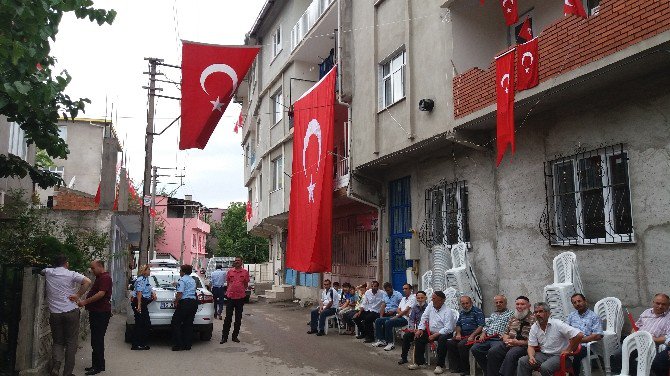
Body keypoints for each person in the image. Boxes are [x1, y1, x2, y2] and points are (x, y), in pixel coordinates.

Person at [42, 255, 92, 376]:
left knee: (58, 341)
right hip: (71, 312)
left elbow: (41, 271)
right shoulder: (71, 274)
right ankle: (67, 373)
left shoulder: (48, 272)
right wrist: (77, 295)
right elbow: (88, 281)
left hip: (55, 313)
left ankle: (56, 366)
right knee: (71, 342)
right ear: (66, 263)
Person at [517, 302, 584, 376]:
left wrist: (568, 350)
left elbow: (579, 335)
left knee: (545, 367)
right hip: (543, 355)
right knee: (522, 361)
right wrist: (531, 356)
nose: (538, 314)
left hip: (559, 356)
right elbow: (531, 346)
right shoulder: (534, 327)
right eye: (536, 312)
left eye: (541, 311)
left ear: (548, 313)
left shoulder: (558, 324)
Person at [611, 293, 670, 375]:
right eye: (658, 303)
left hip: (653, 344)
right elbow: (636, 326)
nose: (660, 306)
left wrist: (653, 339)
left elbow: (667, 337)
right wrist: (633, 334)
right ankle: (628, 372)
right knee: (618, 355)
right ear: (653, 302)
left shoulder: (668, 317)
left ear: (668, 305)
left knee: (650, 363)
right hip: (637, 341)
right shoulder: (646, 312)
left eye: (664, 304)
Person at [481, 296, 535, 376]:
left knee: (511, 354)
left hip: (524, 346)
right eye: (517, 304)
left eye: (522, 304)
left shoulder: (534, 319)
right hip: (509, 343)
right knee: (492, 352)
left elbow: (534, 340)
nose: (519, 306)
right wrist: (507, 341)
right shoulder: (513, 317)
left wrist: (518, 343)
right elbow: (506, 333)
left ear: (529, 306)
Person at [408, 291, 458, 374]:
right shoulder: (431, 305)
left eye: (434, 299)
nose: (432, 300)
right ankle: (419, 362)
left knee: (442, 340)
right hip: (430, 331)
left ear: (441, 301)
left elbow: (448, 328)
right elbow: (424, 317)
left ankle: (439, 365)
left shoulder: (447, 311)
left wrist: (435, 335)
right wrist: (420, 329)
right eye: (432, 298)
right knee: (419, 336)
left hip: (443, 333)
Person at [77, 260, 112, 375]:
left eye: (93, 268)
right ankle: (98, 364)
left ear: (100, 266)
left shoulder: (105, 278)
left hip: (100, 312)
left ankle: (97, 367)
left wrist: (85, 302)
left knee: (97, 340)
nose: (91, 270)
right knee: (96, 340)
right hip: (97, 312)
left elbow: (101, 293)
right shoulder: (100, 277)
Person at [470, 295, 514, 376]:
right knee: (475, 348)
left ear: (506, 303)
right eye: (496, 302)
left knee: (492, 352)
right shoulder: (493, 314)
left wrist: (506, 334)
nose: (498, 304)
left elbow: (512, 327)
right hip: (487, 338)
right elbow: (487, 325)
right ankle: (487, 370)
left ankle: (492, 373)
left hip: (498, 339)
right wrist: (483, 334)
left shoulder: (511, 314)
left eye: (501, 302)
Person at [446, 295, 486, 375]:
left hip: (474, 336)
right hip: (463, 335)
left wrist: (472, 335)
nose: (465, 305)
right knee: (450, 343)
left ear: (471, 303)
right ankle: (456, 367)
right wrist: (458, 333)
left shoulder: (477, 311)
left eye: (467, 303)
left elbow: (481, 326)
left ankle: (466, 369)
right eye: (463, 304)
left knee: (461, 345)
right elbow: (458, 325)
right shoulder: (462, 313)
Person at [565, 293, 603, 376]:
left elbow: (597, 335)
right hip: (572, 343)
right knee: (559, 352)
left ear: (585, 301)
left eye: (579, 301)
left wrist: (578, 340)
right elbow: (566, 331)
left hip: (587, 346)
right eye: (574, 303)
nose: (577, 304)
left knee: (577, 354)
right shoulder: (571, 316)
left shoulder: (594, 316)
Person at [374, 283, 416, 350]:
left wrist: (397, 315)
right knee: (378, 320)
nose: (404, 290)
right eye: (403, 289)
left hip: (406, 319)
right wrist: (401, 313)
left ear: (410, 289)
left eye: (406, 289)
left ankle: (390, 343)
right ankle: (382, 340)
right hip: (400, 316)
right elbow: (398, 309)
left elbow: (406, 310)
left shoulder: (413, 297)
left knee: (389, 322)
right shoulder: (403, 299)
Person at [221, 256, 250, 343]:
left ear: (241, 262)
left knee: (238, 318)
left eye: (238, 261)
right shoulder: (230, 272)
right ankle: (224, 337)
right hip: (230, 297)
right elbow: (229, 282)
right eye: (236, 260)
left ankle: (235, 336)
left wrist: (240, 290)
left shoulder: (245, 272)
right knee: (228, 318)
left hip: (240, 297)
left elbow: (245, 284)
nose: (237, 262)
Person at [171, 264, 198, 351]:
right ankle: (187, 345)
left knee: (175, 323)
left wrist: (176, 302)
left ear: (183, 272)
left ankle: (178, 345)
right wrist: (177, 284)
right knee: (188, 324)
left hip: (185, 303)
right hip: (193, 303)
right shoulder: (192, 280)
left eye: (180, 270)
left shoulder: (182, 280)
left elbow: (180, 294)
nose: (180, 272)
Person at [399, 290, 429, 365]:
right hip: (416, 330)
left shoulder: (429, 308)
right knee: (406, 336)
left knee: (419, 338)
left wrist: (420, 329)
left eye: (422, 298)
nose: (420, 300)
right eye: (418, 298)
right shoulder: (415, 307)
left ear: (425, 298)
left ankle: (419, 361)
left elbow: (429, 322)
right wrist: (412, 329)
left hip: (426, 330)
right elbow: (412, 319)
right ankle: (404, 358)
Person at [131, 264, 153, 350]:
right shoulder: (140, 280)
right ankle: (136, 344)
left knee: (145, 324)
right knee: (140, 324)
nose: (149, 271)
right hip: (139, 301)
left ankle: (141, 343)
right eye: (148, 269)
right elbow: (139, 292)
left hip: (142, 302)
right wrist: (139, 305)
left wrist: (153, 293)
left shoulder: (146, 279)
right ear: (144, 271)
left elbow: (149, 288)